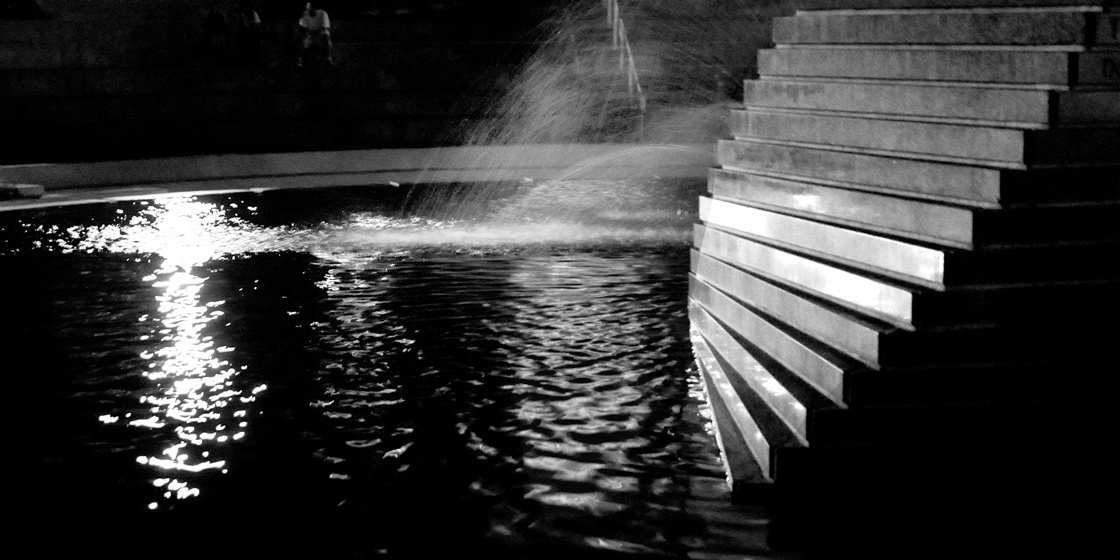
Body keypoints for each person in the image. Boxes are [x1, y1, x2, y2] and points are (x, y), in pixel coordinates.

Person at [295, 1, 332, 67]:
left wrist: (311, 32)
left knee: (326, 37)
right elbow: (302, 28)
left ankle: (328, 58)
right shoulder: (305, 15)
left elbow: (324, 28)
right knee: (300, 38)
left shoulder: (323, 13)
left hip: (320, 36)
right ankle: (299, 59)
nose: (308, 9)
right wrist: (306, 32)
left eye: (310, 7)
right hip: (310, 36)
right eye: (307, 8)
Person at [235, 0, 262, 65]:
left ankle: (252, 62)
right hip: (247, 34)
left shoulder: (250, 13)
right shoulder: (244, 14)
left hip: (249, 34)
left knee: (249, 49)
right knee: (248, 49)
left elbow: (256, 24)